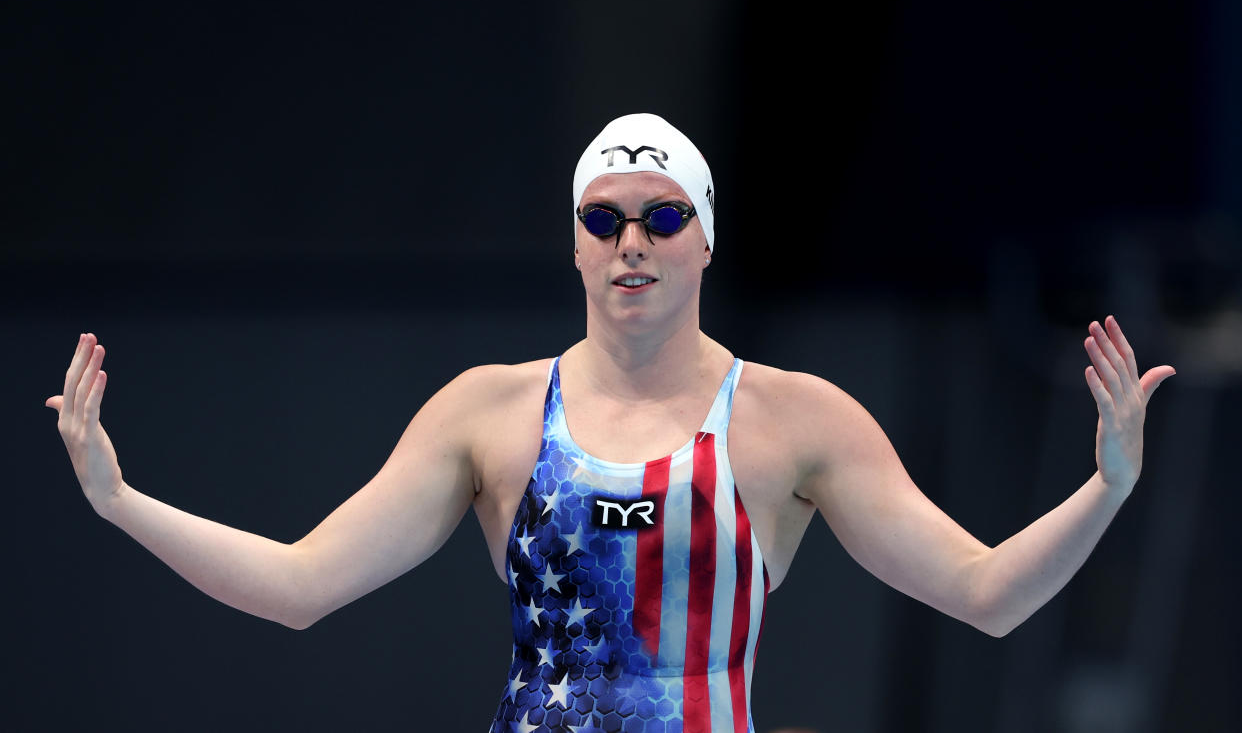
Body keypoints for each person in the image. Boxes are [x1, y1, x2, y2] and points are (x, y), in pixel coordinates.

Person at [47, 113, 1176, 733]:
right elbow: (300, 587)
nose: (632, 241)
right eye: (605, 218)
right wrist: (117, 499)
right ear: (577, 242)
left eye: (661, 216)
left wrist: (1109, 488)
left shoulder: (792, 420)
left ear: (705, 240)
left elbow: (982, 597)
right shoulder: (487, 414)